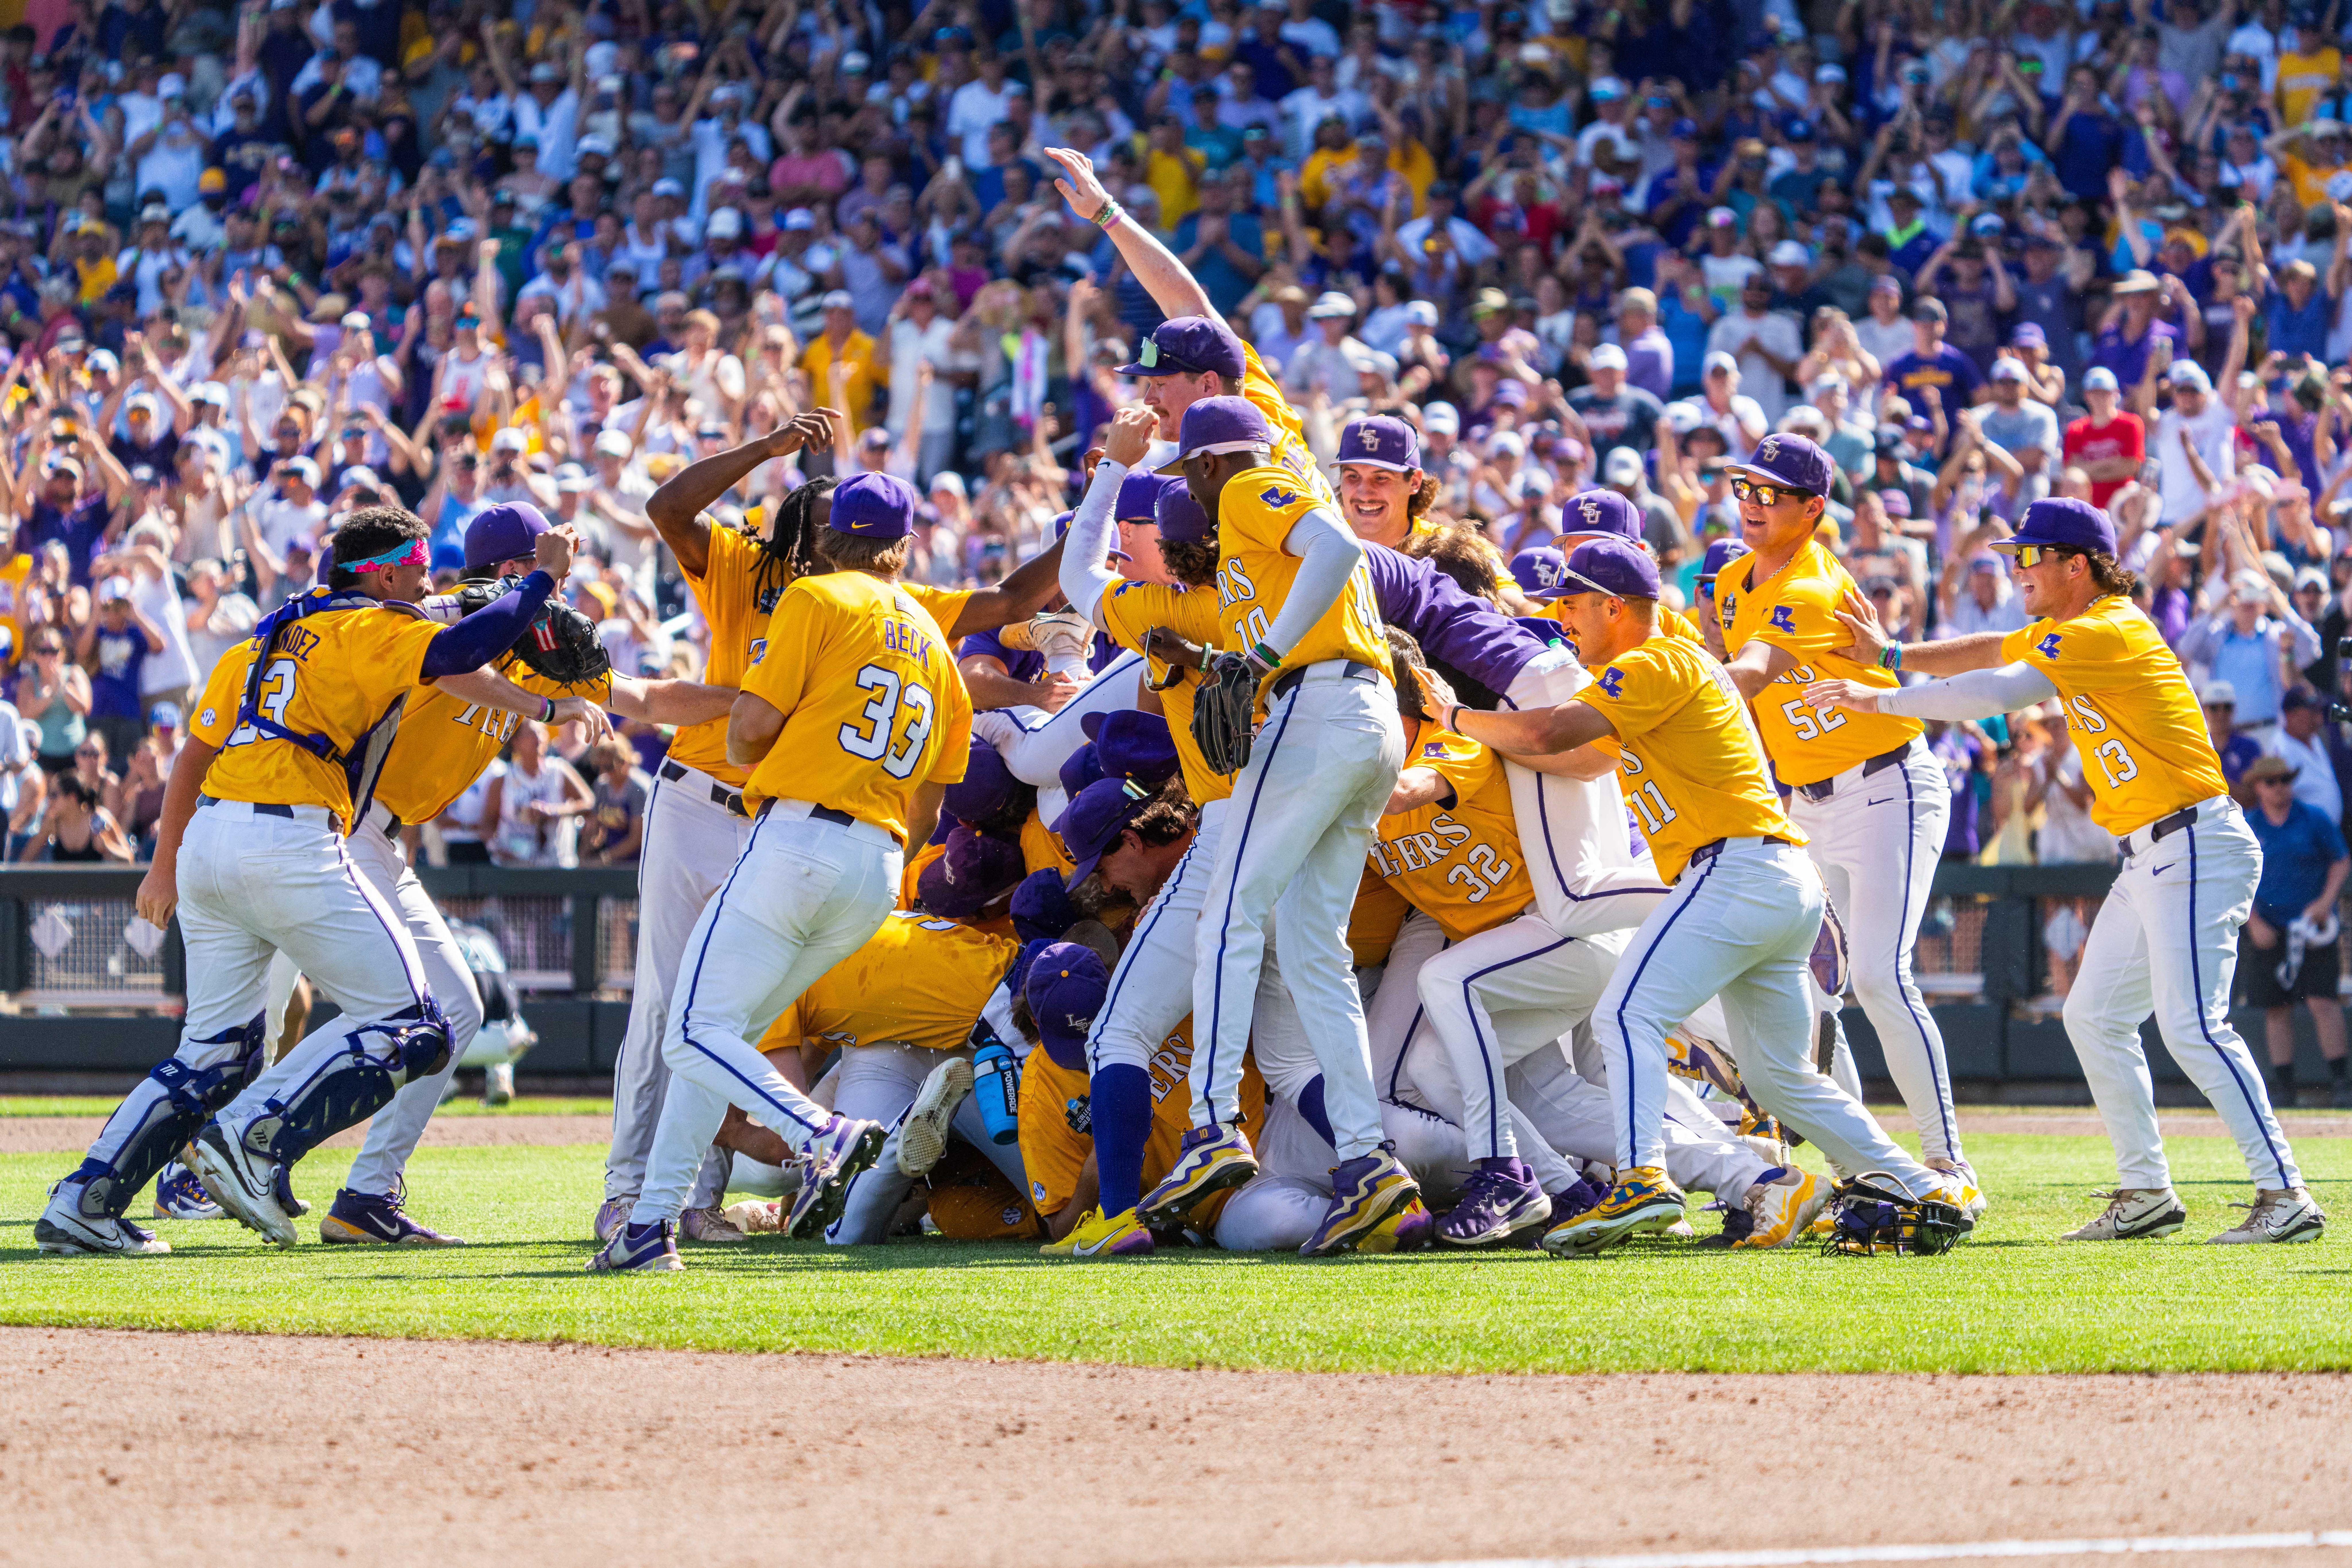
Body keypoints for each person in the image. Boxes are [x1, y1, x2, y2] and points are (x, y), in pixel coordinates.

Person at [36, 508, 575, 1257]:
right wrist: (543, 580)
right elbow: (463, 646)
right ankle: (247, 1138)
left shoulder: (263, 633)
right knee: (413, 1023)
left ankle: (83, 1202)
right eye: (416, 570)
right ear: (383, 572)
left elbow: (195, 752)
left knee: (213, 1051)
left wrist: (165, 861)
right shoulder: (371, 626)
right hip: (289, 838)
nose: (426, 583)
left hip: (211, 842)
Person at [1806, 497, 2325, 1244]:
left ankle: (2285, 1192)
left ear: (2075, 565)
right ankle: (2146, 1190)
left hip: (2192, 842)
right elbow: (1990, 650)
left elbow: (2001, 690)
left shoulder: (2107, 626)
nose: (2015, 568)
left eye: (2029, 556)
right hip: (2151, 852)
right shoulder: (2071, 628)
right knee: (2092, 1016)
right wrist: (1891, 653)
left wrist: (1880, 694)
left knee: (2193, 1025)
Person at [1435, 538, 1959, 1256]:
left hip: (1736, 869)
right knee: (1778, 1078)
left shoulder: (1653, 660)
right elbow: (1567, 752)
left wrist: (1453, 717)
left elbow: (1545, 730)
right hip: (1770, 879)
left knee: (1624, 1012)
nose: (1561, 617)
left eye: (1572, 603)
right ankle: (1917, 1186)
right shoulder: (1660, 663)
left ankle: (1644, 1176)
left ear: (1614, 607)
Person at [592, 471, 975, 1272]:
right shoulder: (938, 644)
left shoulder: (816, 597)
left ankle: (823, 1134)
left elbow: (746, 735)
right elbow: (932, 814)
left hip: (799, 837)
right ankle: (650, 1225)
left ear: (828, 535)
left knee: (690, 1030)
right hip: (875, 863)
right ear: (903, 547)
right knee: (719, 1035)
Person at [1128, 395, 1417, 1258]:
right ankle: (1368, 1159)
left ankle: (1214, 1123)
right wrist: (1238, 658)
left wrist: (1259, 658)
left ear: (1214, 461)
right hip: (1357, 718)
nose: (1197, 490)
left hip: (1320, 702)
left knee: (1228, 912)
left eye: (1193, 471)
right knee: (1310, 942)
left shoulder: (1255, 483)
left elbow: (1334, 545)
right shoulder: (1252, 559)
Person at [1711, 434, 1976, 1199]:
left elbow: (1751, 675)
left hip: (1886, 784)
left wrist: (1655, 693)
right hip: (1807, 799)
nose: (1753, 503)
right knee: (1809, 989)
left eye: (1772, 493)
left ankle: (1948, 1161)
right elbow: (1756, 704)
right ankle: (1864, 1163)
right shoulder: (1731, 582)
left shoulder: (1814, 581)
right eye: (1745, 487)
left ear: (1813, 508)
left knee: (1881, 976)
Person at [2237, 755, 2352, 1111]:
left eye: (2285, 779)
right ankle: (2284, 1087)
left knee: (2322, 1001)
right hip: (2267, 929)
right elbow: (2235, 877)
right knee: (2275, 1008)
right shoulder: (2247, 825)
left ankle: (2341, 1082)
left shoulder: (2312, 818)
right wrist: (2252, 920)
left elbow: (2340, 859)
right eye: (2271, 781)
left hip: (2312, 927)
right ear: (2257, 786)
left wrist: (2325, 901)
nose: (2280, 787)